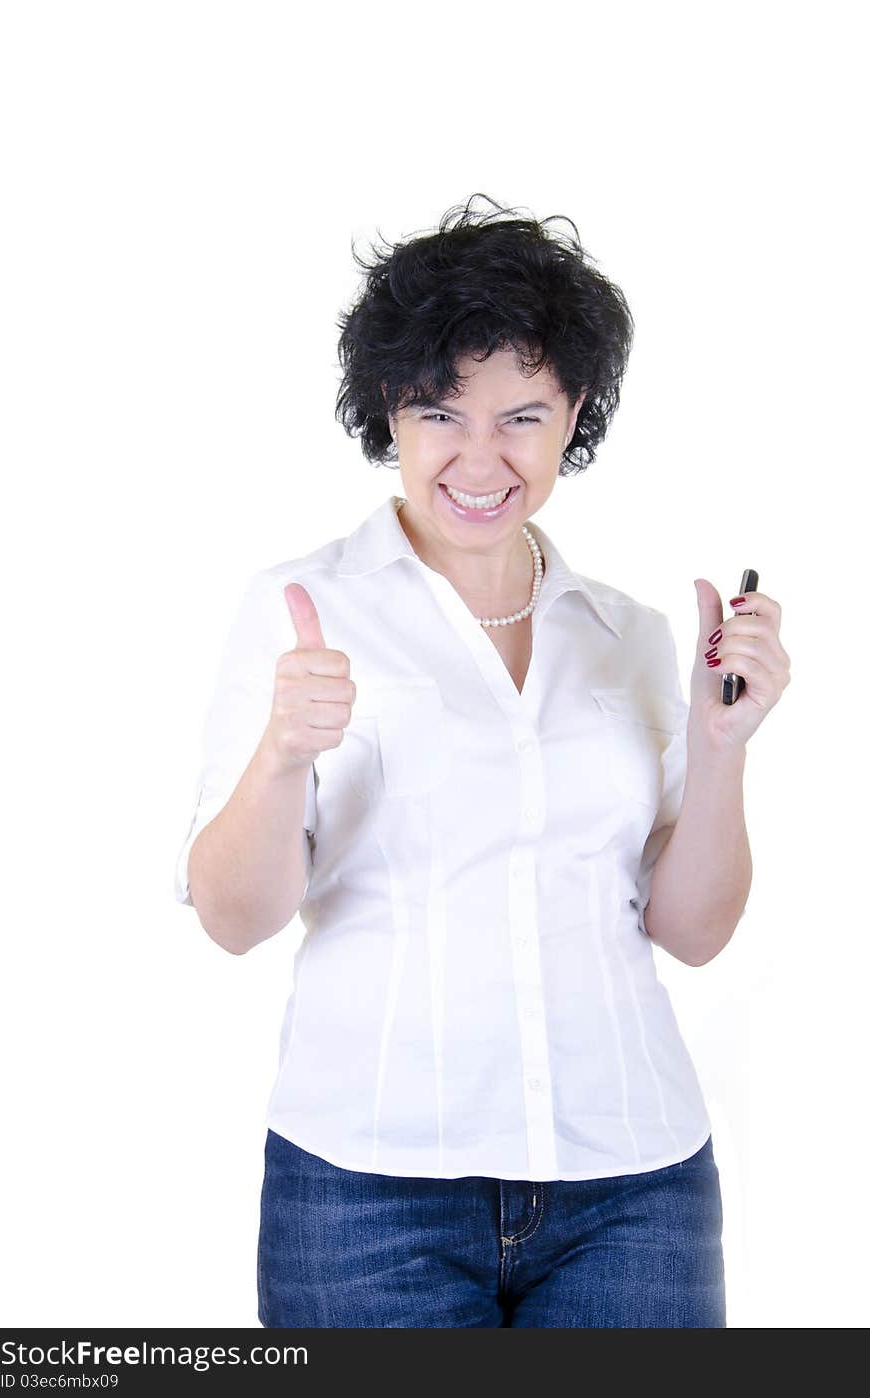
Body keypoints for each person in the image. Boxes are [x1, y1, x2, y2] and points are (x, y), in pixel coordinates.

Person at [173, 194, 790, 1328]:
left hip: (634, 1186)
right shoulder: (304, 607)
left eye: (521, 416)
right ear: (388, 416)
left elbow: (692, 932)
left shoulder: (629, 635)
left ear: (573, 418)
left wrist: (719, 748)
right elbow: (231, 917)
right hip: (366, 1194)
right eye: (437, 413)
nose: (478, 457)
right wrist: (280, 755)